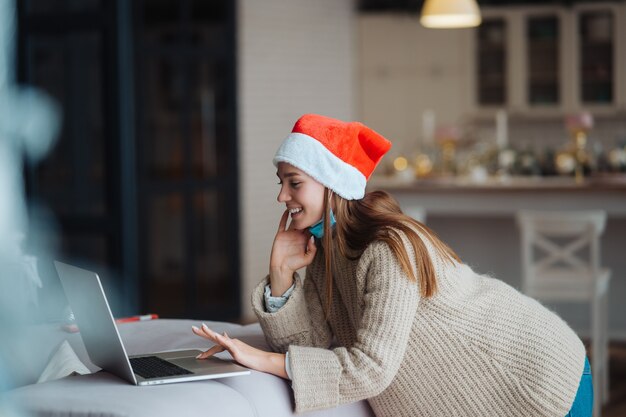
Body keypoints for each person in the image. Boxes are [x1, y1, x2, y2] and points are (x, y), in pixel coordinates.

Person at [192, 114, 593, 417]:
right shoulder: (325, 251)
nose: (282, 196)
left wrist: (261, 359)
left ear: (333, 185)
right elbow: (309, 346)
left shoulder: (387, 248)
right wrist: (281, 277)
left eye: (294, 182)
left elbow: (370, 369)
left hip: (539, 382)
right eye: (281, 182)